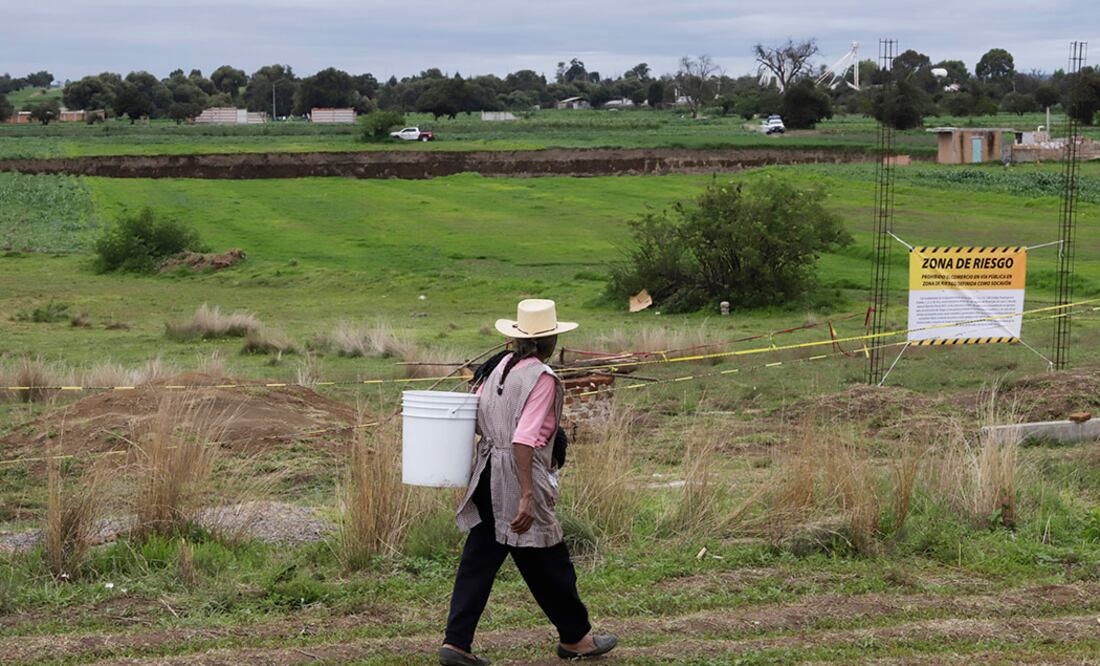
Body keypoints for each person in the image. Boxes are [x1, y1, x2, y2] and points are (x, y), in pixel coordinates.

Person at [440, 299, 618, 665]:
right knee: (550, 558)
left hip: (487, 469)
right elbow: (524, 439)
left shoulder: (497, 367)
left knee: (486, 558)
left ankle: (456, 643)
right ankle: (576, 639)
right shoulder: (541, 377)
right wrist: (525, 494)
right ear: (549, 339)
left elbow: (473, 416)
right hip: (518, 473)